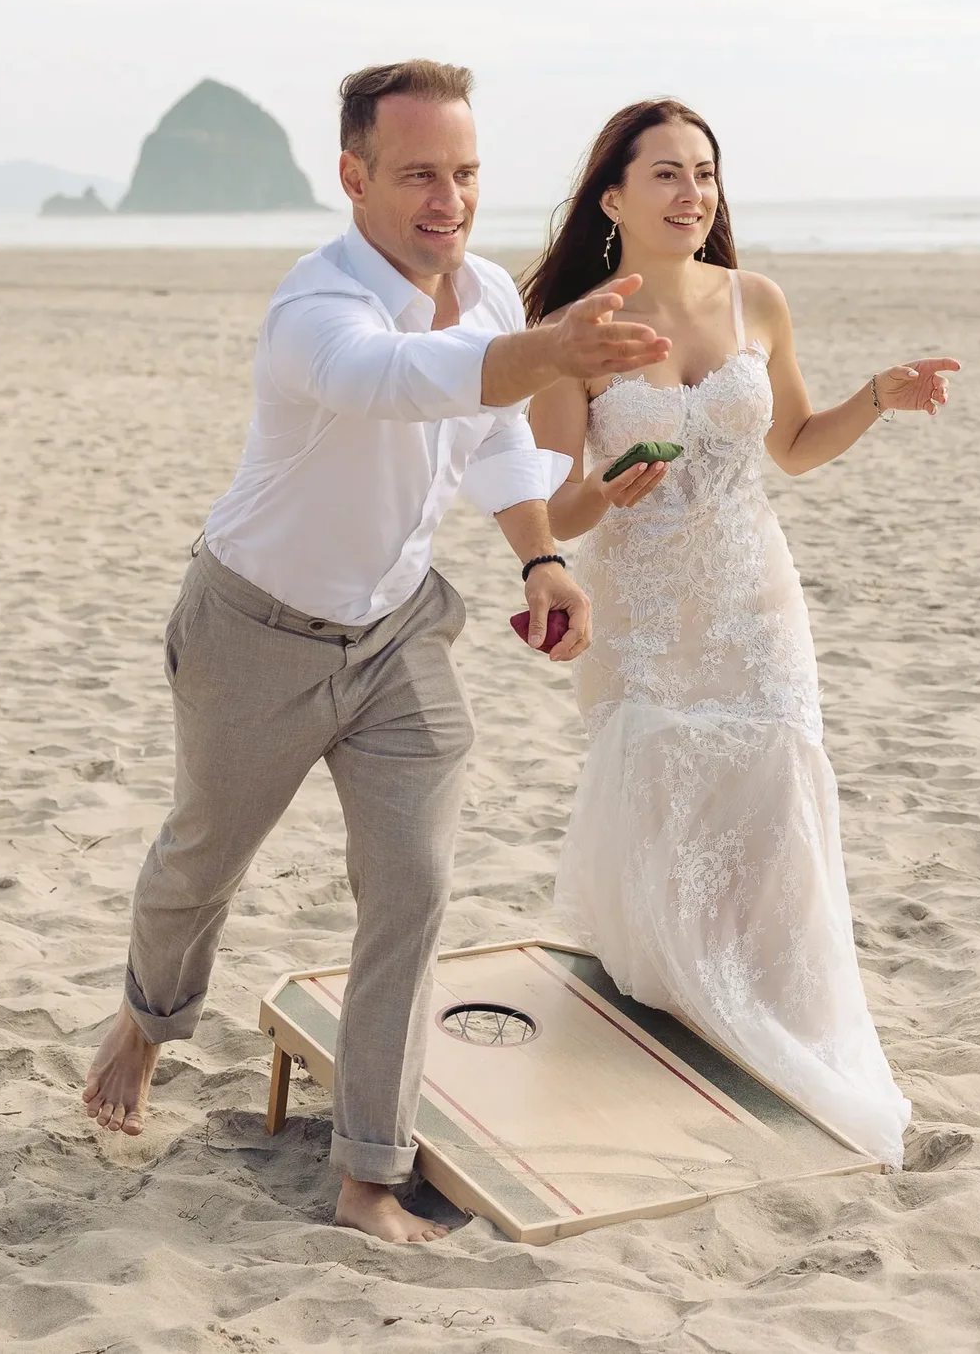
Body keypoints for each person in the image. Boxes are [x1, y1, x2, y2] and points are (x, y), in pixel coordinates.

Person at [80, 61, 671, 1243]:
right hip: (254, 627)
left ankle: (367, 1176)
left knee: (411, 884)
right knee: (200, 863)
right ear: (354, 179)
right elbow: (398, 383)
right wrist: (547, 355)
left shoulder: (494, 291)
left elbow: (496, 437)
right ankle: (144, 1022)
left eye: (463, 172)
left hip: (400, 628)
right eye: (416, 174)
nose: (446, 199)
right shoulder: (316, 310)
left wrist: (542, 558)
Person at [521, 99, 958, 1167]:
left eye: (706, 172)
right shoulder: (575, 329)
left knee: (771, 786)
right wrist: (615, 487)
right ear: (613, 196)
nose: (692, 192)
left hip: (754, 592)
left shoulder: (756, 299)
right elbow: (547, 508)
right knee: (664, 788)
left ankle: (772, 1005)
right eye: (666, 173)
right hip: (644, 603)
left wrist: (877, 397)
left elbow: (797, 446)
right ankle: (672, 1005)